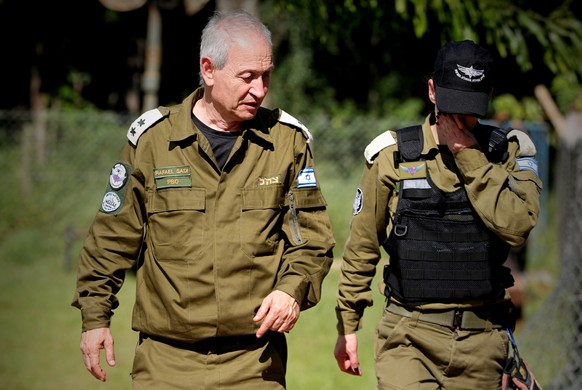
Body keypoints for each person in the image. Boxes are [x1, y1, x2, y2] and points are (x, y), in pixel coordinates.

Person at [72, 10, 335, 389]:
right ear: (208, 70)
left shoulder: (286, 143)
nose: (260, 90)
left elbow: (312, 239)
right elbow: (111, 239)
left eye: (266, 76)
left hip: (254, 362)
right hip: (166, 361)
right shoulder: (153, 142)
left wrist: (290, 290)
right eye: (247, 77)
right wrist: (95, 319)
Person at [333, 40, 543, 389]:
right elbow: (362, 247)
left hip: (483, 342)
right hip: (408, 338)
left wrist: (469, 156)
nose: (461, 119)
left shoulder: (507, 153)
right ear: (432, 91)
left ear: (488, 95)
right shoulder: (394, 157)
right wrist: (348, 326)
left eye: (472, 108)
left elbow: (517, 226)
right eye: (454, 105)